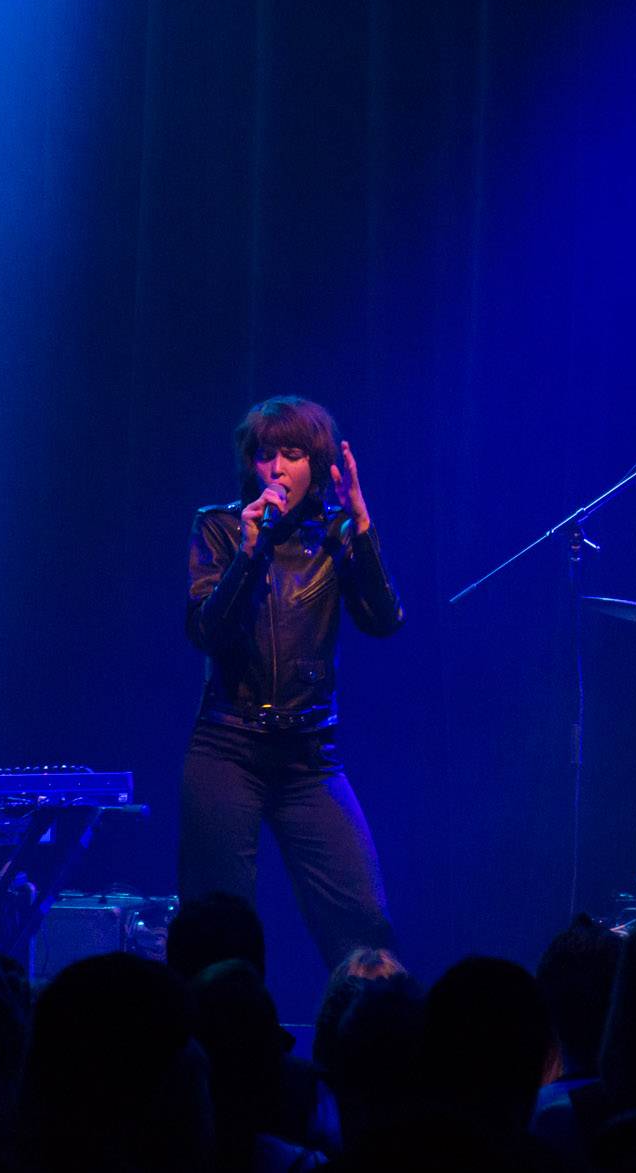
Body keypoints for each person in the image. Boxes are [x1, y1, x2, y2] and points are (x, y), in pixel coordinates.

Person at [181, 396, 405, 971]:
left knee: (365, 928)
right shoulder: (222, 527)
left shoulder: (336, 535)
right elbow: (207, 632)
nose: (276, 469)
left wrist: (362, 524)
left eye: (292, 454)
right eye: (264, 455)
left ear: (319, 464)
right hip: (229, 747)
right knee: (219, 935)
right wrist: (249, 554)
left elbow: (384, 622)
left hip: (311, 758)